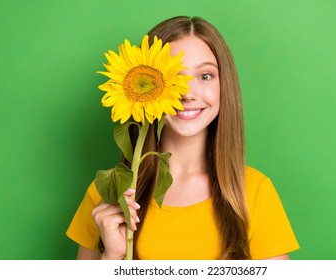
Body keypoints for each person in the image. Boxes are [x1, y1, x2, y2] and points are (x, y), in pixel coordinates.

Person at [66, 15, 300, 260]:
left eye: (205, 76)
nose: (188, 94)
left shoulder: (253, 192)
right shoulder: (107, 195)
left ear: (225, 84)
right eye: (175, 77)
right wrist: (111, 259)